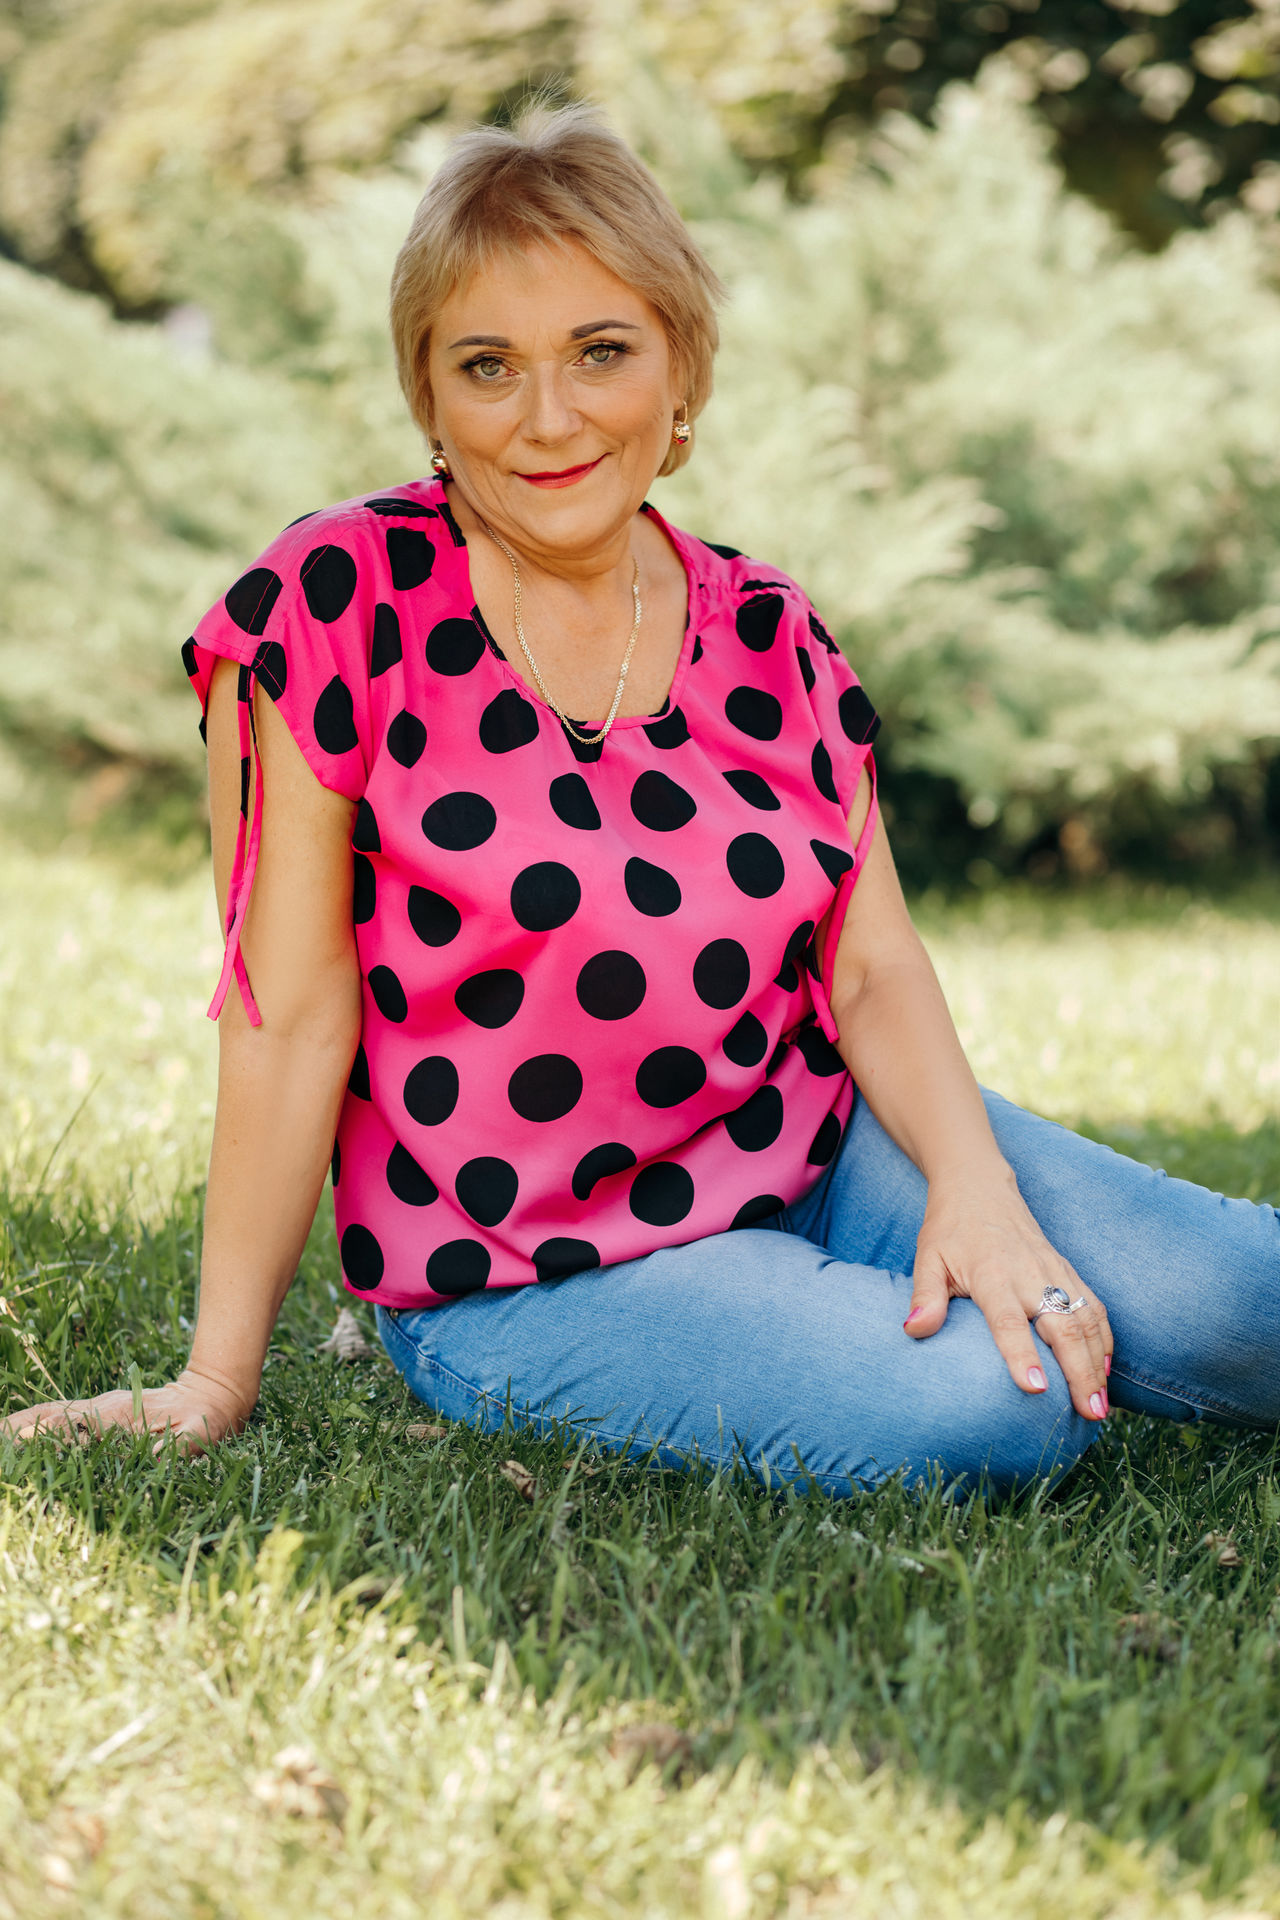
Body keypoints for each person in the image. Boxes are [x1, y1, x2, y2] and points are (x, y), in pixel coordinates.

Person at [5, 105, 1278, 1495]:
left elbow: (870, 966)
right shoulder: (332, 601)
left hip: (823, 1152)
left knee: (1243, 1298)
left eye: (600, 352)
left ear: (680, 370)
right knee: (993, 1400)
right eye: (488, 366)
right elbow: (291, 1011)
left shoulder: (772, 628)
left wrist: (976, 1191)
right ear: (429, 397)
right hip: (523, 1272)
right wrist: (215, 1379)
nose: (548, 418)